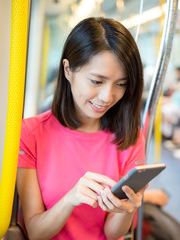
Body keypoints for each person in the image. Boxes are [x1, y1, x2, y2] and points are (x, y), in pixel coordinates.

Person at [16, 17, 147, 240]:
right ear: (68, 70)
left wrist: (129, 208)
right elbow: (36, 232)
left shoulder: (130, 136)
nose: (108, 97)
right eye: (97, 81)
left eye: (121, 84)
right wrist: (71, 199)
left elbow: (111, 233)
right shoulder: (30, 133)